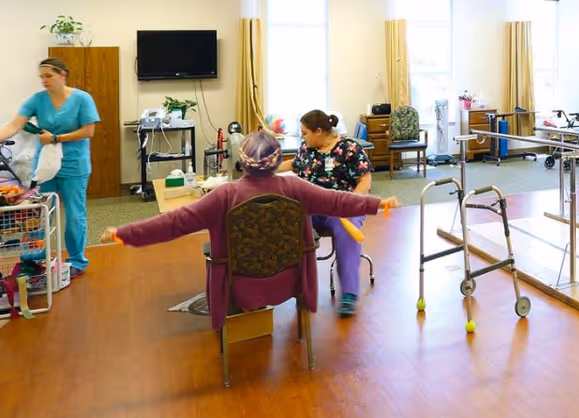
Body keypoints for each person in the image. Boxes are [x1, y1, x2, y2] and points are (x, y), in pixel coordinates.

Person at [100, 131, 398, 331]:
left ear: (242, 161)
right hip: (292, 281)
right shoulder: (294, 188)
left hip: (237, 287)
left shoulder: (224, 195)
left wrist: (123, 233)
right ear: (276, 160)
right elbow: (337, 201)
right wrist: (377, 203)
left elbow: (173, 223)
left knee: (212, 253)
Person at [0, 58, 100, 278]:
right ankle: (33, 261)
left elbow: (88, 131)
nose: (44, 80)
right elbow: (14, 125)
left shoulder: (82, 99)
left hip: (74, 164)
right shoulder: (37, 100)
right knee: (37, 213)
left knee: (75, 215)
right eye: (41, 77)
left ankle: (76, 261)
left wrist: (56, 138)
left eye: (49, 76)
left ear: (62, 75)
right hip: (45, 166)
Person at [278, 110, 373, 317]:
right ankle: (299, 286)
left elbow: (365, 180)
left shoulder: (349, 148)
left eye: (305, 133)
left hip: (342, 207)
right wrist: (268, 167)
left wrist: (351, 201)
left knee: (346, 230)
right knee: (289, 224)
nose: (302, 137)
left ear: (319, 131)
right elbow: (294, 165)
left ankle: (349, 293)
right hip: (312, 207)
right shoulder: (307, 148)